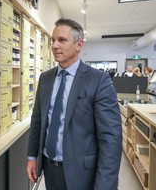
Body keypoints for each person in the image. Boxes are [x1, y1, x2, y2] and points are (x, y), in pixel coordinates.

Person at [26, 18, 122, 190]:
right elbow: (38, 120)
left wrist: (106, 185)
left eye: (62, 40)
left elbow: (110, 137)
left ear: (79, 45)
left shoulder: (98, 80)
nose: (55, 45)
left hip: (82, 173)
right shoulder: (46, 78)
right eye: (53, 40)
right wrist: (32, 156)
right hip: (49, 167)